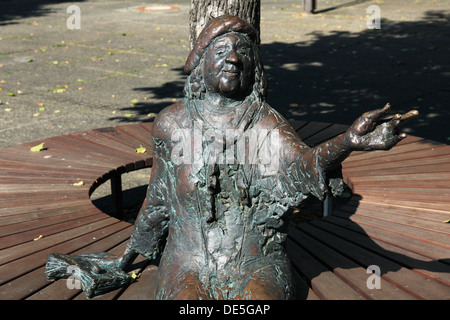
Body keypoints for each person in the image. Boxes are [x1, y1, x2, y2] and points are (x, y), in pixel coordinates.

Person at [46, 15, 417, 300]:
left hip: (257, 261)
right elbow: (159, 198)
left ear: (253, 67)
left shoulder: (264, 122)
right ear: (202, 64)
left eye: (242, 53)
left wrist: (347, 142)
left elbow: (300, 168)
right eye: (221, 52)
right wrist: (126, 260)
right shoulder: (172, 124)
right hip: (186, 260)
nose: (233, 59)